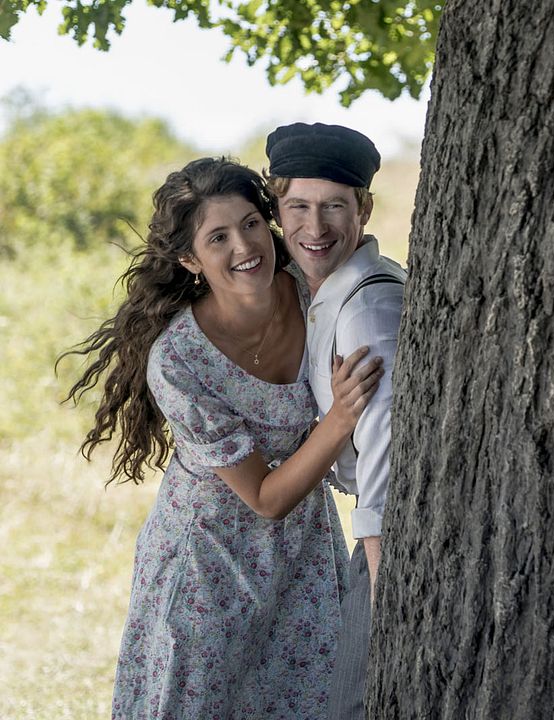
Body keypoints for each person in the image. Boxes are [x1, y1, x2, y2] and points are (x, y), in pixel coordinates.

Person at [63, 157, 385, 718]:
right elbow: (264, 499)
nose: (244, 247)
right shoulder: (179, 360)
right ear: (191, 260)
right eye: (218, 237)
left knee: (305, 702)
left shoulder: (313, 293)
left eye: (251, 224)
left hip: (304, 550)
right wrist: (339, 422)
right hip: (208, 558)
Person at [264, 122, 406, 719]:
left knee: (355, 699)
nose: (314, 228)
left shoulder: (368, 303)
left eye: (333, 207)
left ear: (364, 208)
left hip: (388, 534)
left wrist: (378, 565)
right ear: (277, 206)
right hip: (374, 531)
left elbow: (385, 437)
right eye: (298, 206)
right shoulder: (323, 290)